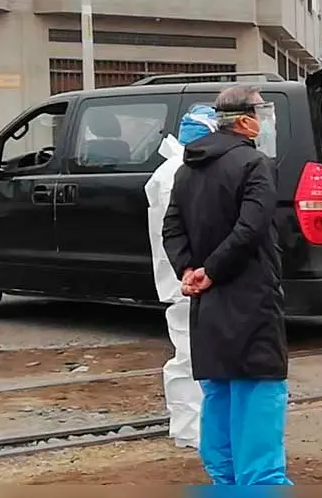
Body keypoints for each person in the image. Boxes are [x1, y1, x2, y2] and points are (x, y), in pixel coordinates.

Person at [162, 85, 291, 486]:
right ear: (245, 120)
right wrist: (213, 270)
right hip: (249, 293)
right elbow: (251, 227)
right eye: (262, 111)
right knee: (259, 388)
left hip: (208, 298)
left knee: (218, 387)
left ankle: (224, 479)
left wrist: (190, 270)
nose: (266, 120)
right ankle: (261, 484)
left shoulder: (187, 170)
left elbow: (172, 228)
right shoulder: (254, 164)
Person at [145, 104, 217, 449]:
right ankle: (190, 430)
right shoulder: (177, 172)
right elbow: (180, 229)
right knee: (190, 357)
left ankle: (192, 427)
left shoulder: (172, 169)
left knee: (192, 354)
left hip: (182, 278)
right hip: (184, 280)